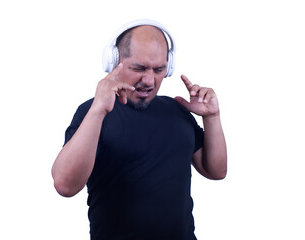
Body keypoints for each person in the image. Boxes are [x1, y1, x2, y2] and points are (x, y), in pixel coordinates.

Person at [52, 19, 227, 240]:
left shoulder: (177, 109)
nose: (149, 80)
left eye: (159, 69)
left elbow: (216, 171)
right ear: (114, 61)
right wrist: (98, 109)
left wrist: (212, 117)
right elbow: (64, 185)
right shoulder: (93, 112)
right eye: (139, 68)